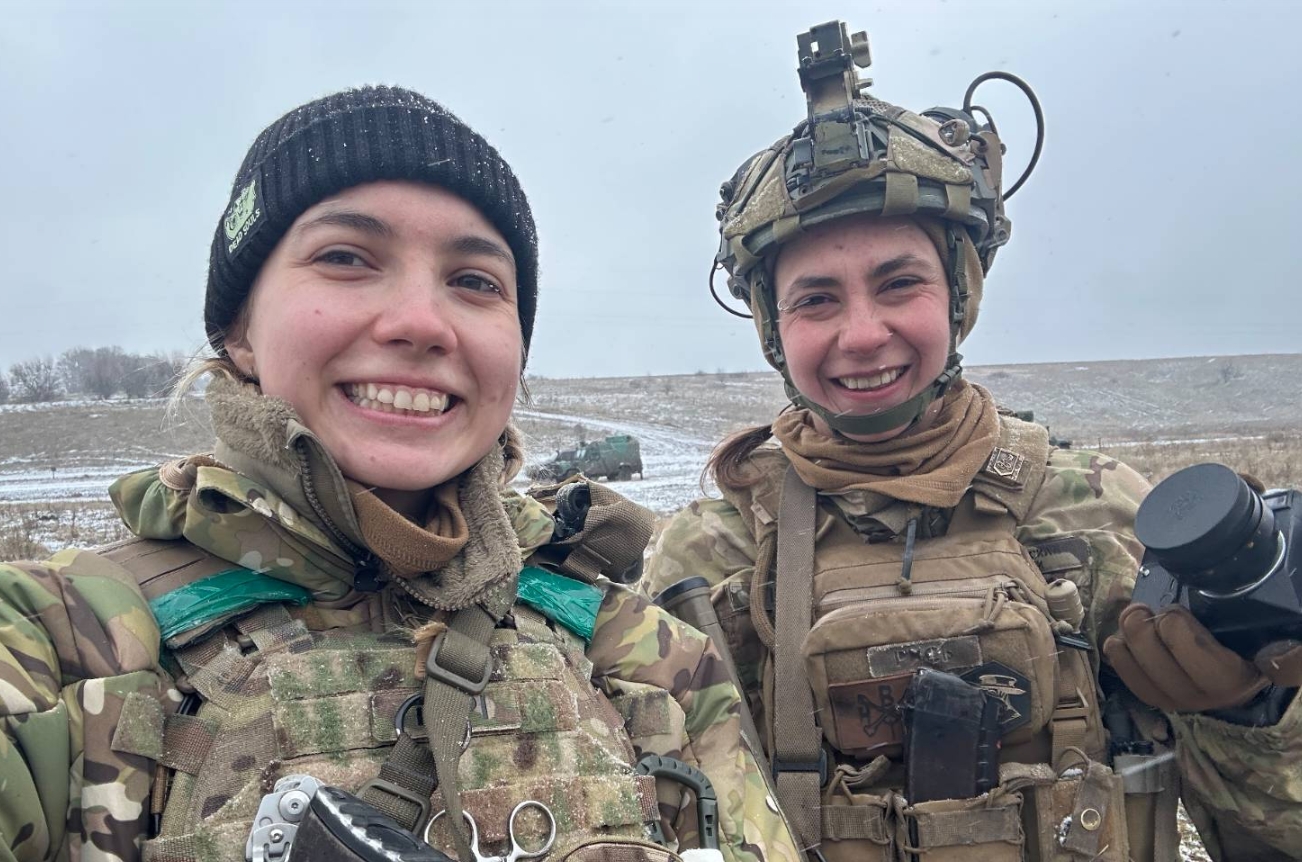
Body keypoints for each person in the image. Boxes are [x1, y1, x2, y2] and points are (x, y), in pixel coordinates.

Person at [0, 86, 800, 862]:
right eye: (347, 258)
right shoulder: (57, 644)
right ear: (238, 327)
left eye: (475, 282)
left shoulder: (640, 652)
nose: (421, 322)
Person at [642, 21, 1302, 862]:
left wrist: (1249, 717)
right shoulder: (716, 552)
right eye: (816, 300)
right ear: (774, 329)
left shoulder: (1095, 510)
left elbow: (1272, 837)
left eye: (900, 283)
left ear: (960, 291)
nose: (863, 333)